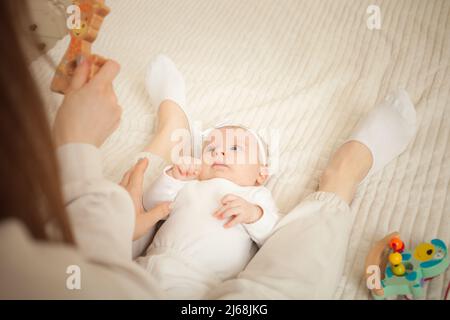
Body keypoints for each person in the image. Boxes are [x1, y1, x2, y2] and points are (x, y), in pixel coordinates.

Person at [0, 1, 416, 299]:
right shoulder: (192, 183)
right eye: (212, 144)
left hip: (203, 290)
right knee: (137, 201)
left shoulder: (256, 196)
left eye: (235, 147)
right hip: (145, 266)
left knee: (127, 198)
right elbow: (158, 207)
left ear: (260, 173)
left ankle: (173, 125)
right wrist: (173, 180)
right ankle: (175, 127)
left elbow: (274, 233)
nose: (218, 151)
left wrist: (253, 214)